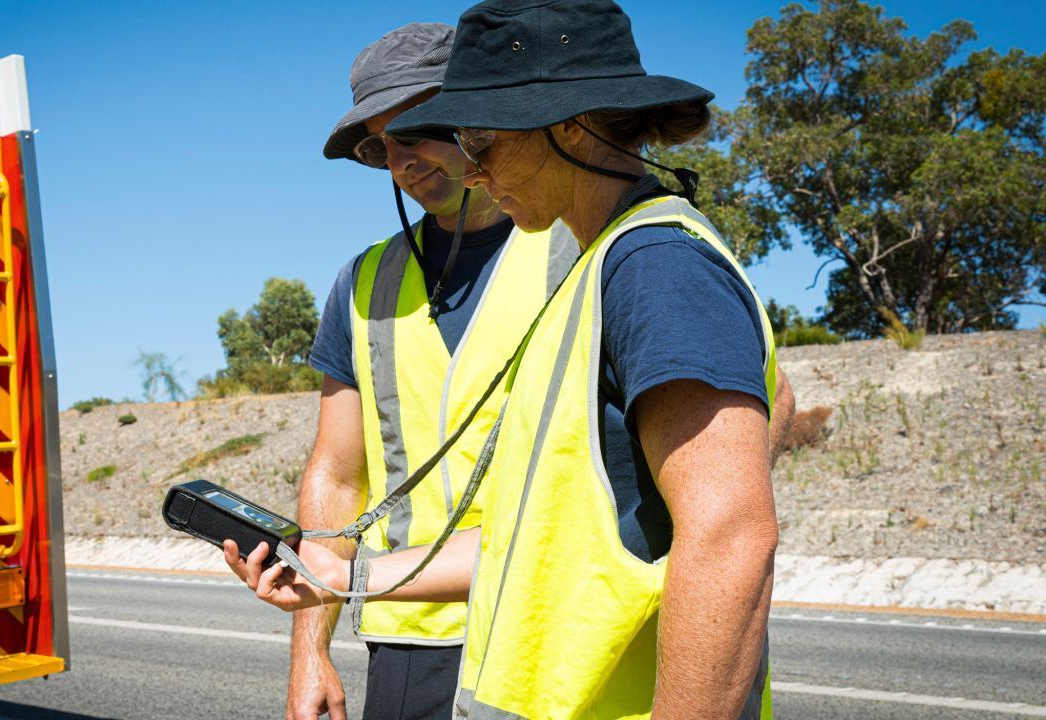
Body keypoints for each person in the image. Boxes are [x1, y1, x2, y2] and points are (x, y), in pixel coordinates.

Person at [234, 5, 797, 718]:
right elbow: (531, 538)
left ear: (566, 124)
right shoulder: (594, 270)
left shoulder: (652, 265)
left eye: (477, 137)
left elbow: (729, 534)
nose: (466, 163)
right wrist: (338, 578)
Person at [290, 22, 579, 720]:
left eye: (415, 131)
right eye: (381, 148)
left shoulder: (582, 245)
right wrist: (309, 651)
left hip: (554, 626)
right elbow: (336, 473)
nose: (400, 163)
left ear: (480, 113)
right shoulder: (364, 283)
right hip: (407, 633)